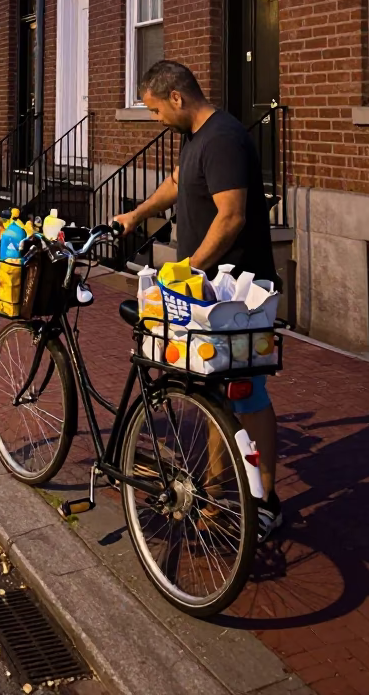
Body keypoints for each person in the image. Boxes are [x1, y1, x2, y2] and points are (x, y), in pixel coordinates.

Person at [114, 59, 282, 540]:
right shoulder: (195, 139)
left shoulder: (224, 139)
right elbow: (176, 183)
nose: (154, 119)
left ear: (178, 98)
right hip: (209, 292)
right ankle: (213, 492)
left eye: (154, 109)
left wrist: (187, 269)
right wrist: (136, 214)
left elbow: (231, 218)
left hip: (241, 294)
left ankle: (266, 500)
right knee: (213, 391)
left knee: (248, 395)